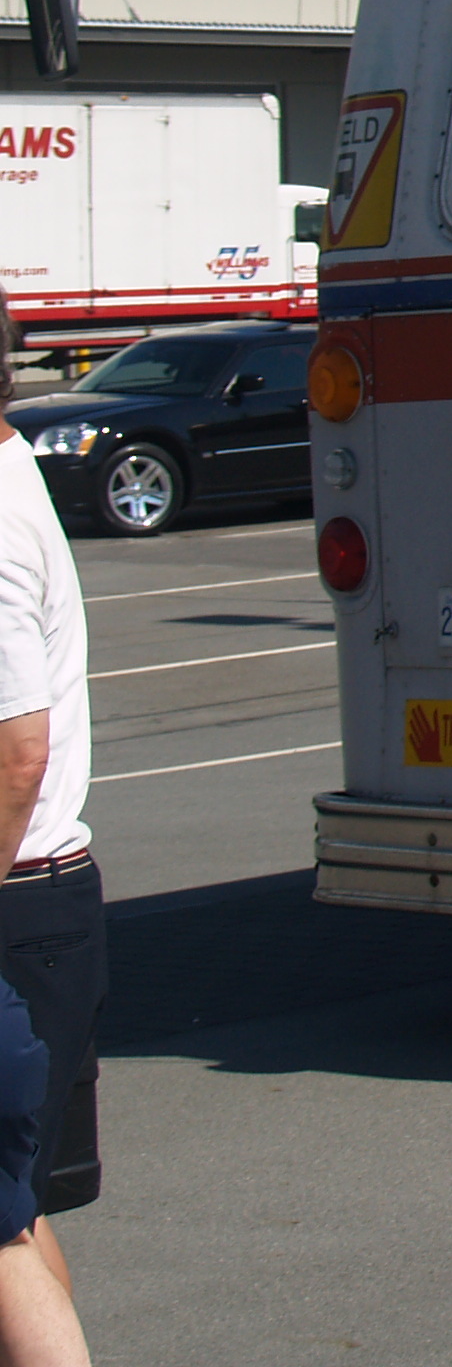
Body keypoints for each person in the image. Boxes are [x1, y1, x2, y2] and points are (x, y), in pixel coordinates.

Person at [0, 295, 93, 1367]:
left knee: (1, 1225)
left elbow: (17, 753)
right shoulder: (15, 472)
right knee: (14, 1212)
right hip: (42, 900)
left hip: (17, 898)